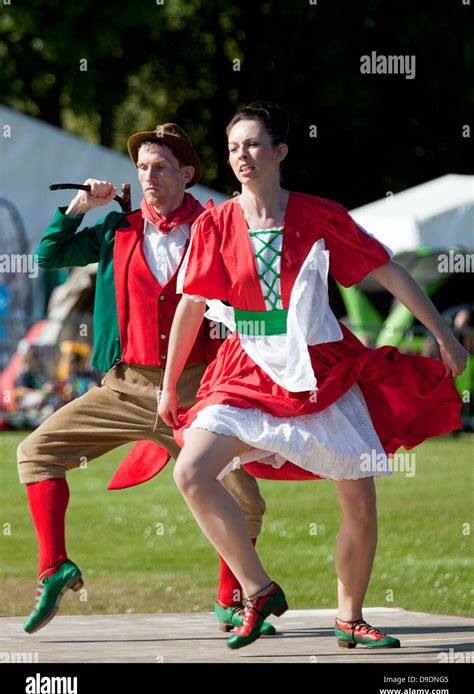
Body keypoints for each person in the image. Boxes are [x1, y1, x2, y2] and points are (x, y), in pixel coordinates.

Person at [158, 101, 468, 651]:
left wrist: (442, 333)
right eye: (233, 148)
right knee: (191, 471)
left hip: (318, 363)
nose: (242, 156)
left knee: (360, 495)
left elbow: (387, 269)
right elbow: (191, 305)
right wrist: (168, 386)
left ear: (280, 151)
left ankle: (351, 617)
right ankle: (258, 590)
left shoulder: (320, 214)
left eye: (253, 144)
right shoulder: (214, 221)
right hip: (246, 365)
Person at [17, 123, 271, 637]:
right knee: (35, 453)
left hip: (199, 391)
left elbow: (255, 297)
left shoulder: (220, 225)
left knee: (247, 501)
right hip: (124, 386)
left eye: (160, 167)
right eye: (142, 168)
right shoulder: (118, 228)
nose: (148, 176)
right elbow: (47, 257)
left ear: (187, 174)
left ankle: (231, 599)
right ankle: (55, 569)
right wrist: (79, 208)